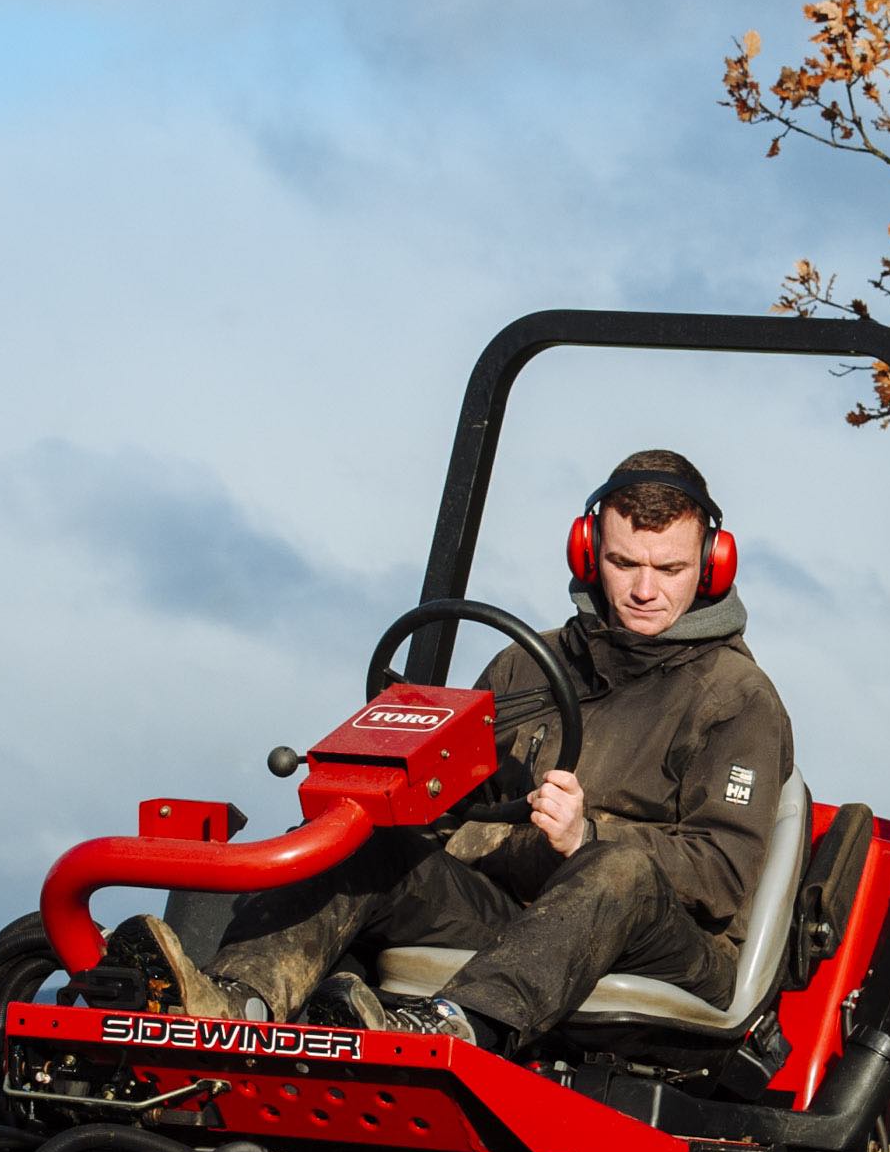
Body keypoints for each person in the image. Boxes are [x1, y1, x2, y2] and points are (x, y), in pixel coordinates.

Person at [101, 449, 795, 1053]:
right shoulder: (529, 668)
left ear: (711, 564)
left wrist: (589, 833)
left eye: (669, 568)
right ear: (588, 552)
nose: (645, 589)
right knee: (362, 841)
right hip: (516, 917)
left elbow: (722, 875)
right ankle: (237, 1005)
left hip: (665, 947)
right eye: (623, 562)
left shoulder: (735, 697)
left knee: (617, 868)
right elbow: (447, 806)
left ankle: (450, 1031)